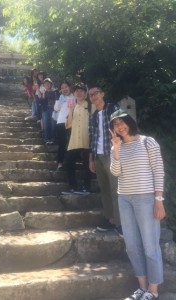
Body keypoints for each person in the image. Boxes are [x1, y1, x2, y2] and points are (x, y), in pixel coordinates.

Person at [109, 109, 166, 300]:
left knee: (150, 246)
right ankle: (142, 287)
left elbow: (158, 171)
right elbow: (116, 173)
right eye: (115, 124)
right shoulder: (115, 147)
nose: (120, 126)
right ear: (113, 129)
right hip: (124, 198)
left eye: (122, 122)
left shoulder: (147, 142)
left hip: (146, 198)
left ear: (129, 121)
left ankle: (153, 290)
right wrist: (116, 148)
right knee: (132, 245)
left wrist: (159, 200)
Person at [88, 86, 121, 235]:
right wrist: (91, 159)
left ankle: (121, 223)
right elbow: (92, 138)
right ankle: (111, 220)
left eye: (96, 93)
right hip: (98, 156)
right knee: (105, 189)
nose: (93, 96)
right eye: (91, 95)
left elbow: (122, 127)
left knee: (116, 189)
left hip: (112, 153)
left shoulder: (113, 108)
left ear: (103, 94)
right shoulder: (93, 116)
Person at [61, 82, 91, 195]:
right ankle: (72, 187)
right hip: (73, 141)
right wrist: (71, 110)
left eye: (81, 91)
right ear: (74, 93)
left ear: (85, 93)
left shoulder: (90, 106)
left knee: (87, 165)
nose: (79, 93)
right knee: (68, 163)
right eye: (77, 91)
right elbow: (68, 125)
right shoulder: (73, 106)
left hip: (86, 140)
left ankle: (86, 187)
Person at [54, 80, 75, 171]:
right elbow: (56, 109)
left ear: (69, 87)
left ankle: (70, 162)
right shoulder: (60, 97)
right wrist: (59, 100)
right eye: (62, 88)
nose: (64, 89)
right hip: (61, 122)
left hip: (72, 122)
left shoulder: (75, 97)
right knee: (62, 143)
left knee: (71, 143)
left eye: (66, 87)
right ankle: (60, 163)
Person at [40, 78, 60, 144]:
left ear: (51, 84)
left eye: (48, 83)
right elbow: (42, 102)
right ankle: (47, 139)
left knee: (53, 124)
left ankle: (53, 139)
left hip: (53, 110)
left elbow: (58, 100)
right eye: (45, 84)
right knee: (46, 124)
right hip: (45, 110)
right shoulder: (43, 92)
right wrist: (43, 94)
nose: (47, 85)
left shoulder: (55, 92)